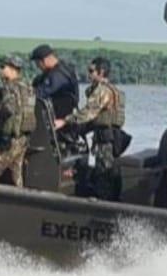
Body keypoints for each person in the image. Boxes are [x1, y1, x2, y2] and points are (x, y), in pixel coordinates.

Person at [55, 57, 128, 200]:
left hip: (106, 139)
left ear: (101, 73)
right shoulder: (112, 90)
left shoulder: (102, 91)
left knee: (104, 174)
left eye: (91, 71)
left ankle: (104, 205)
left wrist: (65, 121)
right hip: (110, 137)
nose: (88, 74)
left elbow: (88, 112)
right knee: (108, 172)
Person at [0, 55, 36, 186]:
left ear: (12, 69)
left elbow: (9, 108)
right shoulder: (28, 88)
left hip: (8, 141)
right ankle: (19, 201)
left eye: (3, 67)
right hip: (23, 139)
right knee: (16, 174)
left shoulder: (9, 88)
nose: (0, 70)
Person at [30, 44, 79, 122]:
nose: (37, 66)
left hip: (63, 121)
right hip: (57, 117)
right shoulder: (53, 72)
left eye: (38, 63)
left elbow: (42, 92)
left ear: (45, 60)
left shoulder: (59, 74)